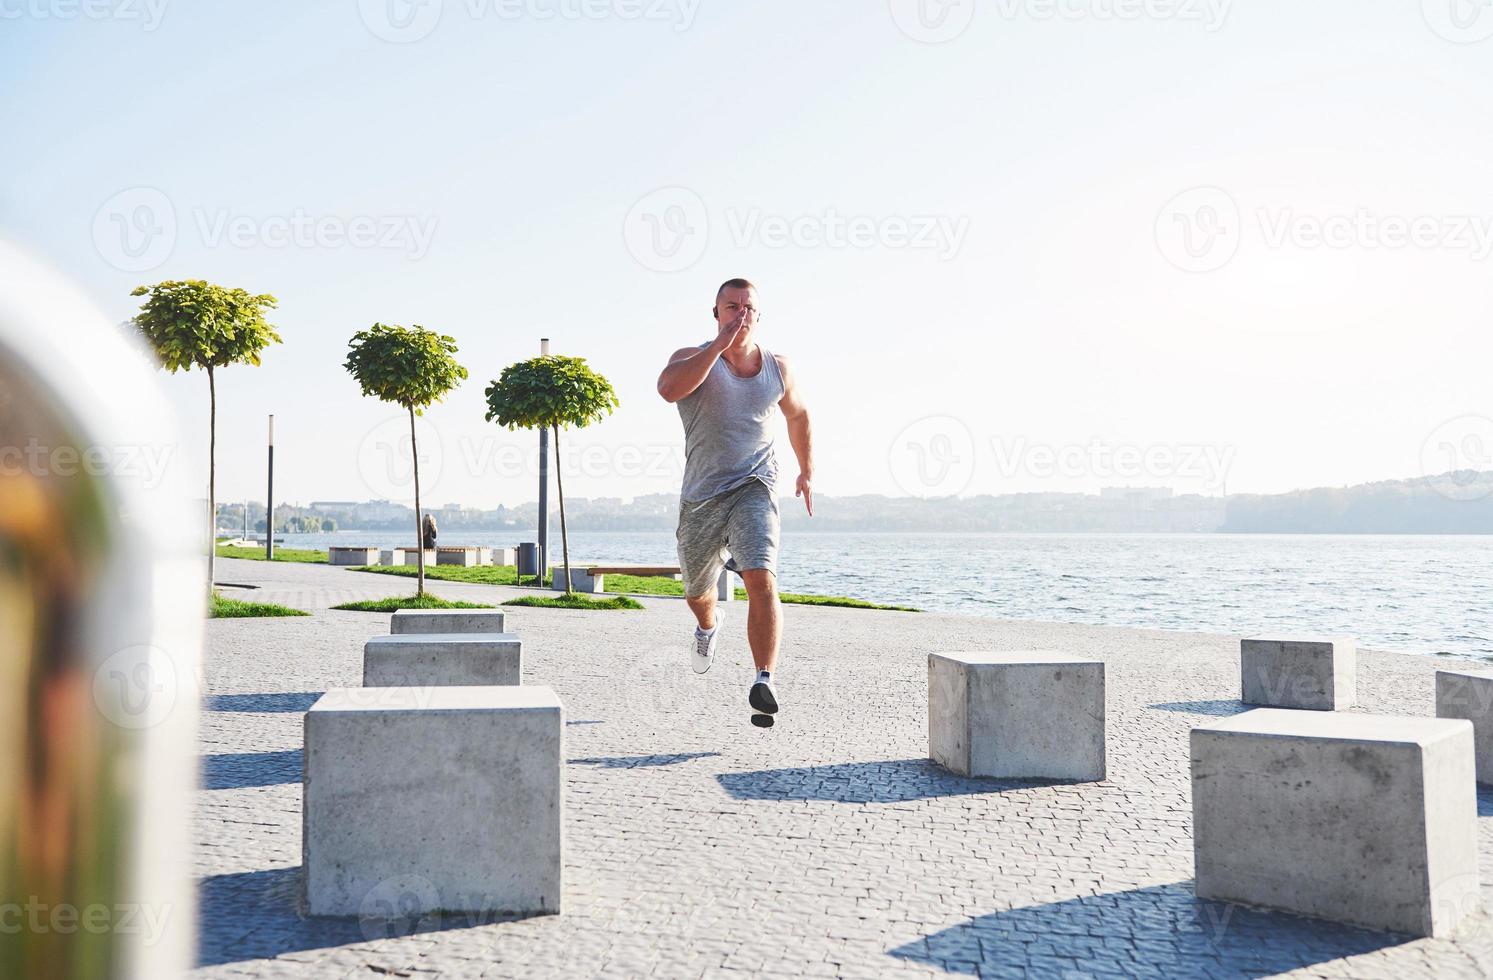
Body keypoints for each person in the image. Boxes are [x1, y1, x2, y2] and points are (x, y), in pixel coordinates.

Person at [656, 278, 813, 721]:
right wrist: (718, 346)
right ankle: (708, 625)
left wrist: (806, 469)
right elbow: (669, 390)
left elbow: (799, 414)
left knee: (761, 578)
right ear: (716, 313)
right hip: (702, 496)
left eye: (747, 308)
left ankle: (764, 678)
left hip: (755, 485)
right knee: (696, 593)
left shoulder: (777, 369)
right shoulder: (690, 358)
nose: (740, 314)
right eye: (731, 307)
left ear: (759, 316)